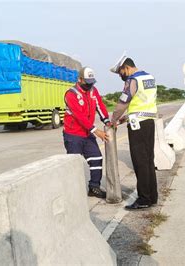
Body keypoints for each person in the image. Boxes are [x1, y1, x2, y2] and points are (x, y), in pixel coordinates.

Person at [110, 54, 157, 210]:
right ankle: (152, 196)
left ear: (126, 68)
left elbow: (123, 102)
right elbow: (142, 104)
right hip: (149, 122)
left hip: (138, 127)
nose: (120, 76)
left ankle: (144, 199)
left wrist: (114, 119)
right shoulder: (150, 77)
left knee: (140, 162)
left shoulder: (132, 80)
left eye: (120, 73)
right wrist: (126, 118)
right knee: (149, 160)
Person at [63, 66, 111, 198]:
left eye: (92, 82)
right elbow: (79, 116)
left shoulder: (93, 91)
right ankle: (73, 192)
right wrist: (96, 131)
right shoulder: (71, 94)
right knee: (75, 164)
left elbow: (99, 106)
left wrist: (107, 120)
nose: (90, 86)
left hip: (87, 134)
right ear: (79, 79)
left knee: (96, 158)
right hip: (73, 135)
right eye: (87, 83)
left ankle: (94, 187)